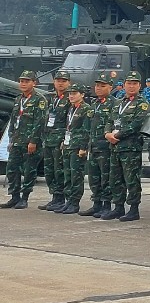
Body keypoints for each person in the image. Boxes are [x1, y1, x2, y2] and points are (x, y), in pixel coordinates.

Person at [102, 71, 150, 222]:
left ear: (139, 86)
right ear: (124, 85)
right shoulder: (119, 103)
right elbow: (110, 120)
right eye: (128, 83)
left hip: (130, 148)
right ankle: (118, 207)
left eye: (134, 84)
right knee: (115, 179)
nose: (131, 86)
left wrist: (116, 136)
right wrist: (107, 134)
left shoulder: (142, 104)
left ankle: (133, 209)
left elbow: (136, 124)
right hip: (115, 147)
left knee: (131, 179)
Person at [1, 70, 46, 209]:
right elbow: (14, 120)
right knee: (12, 169)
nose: (23, 83)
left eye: (27, 81)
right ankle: (14, 197)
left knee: (29, 170)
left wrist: (33, 141)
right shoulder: (18, 99)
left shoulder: (39, 100)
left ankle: (24, 198)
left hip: (30, 143)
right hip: (17, 141)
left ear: (34, 83)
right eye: (22, 81)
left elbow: (40, 122)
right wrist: (11, 139)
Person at [82, 73, 116, 217]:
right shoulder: (94, 105)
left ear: (110, 87)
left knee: (106, 178)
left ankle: (106, 205)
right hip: (93, 146)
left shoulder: (115, 104)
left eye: (103, 86)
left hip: (106, 148)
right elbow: (87, 127)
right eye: (97, 85)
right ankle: (96, 203)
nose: (99, 88)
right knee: (93, 177)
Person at [37, 70, 72, 211]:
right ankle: (55, 197)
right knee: (49, 170)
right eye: (58, 80)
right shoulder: (50, 98)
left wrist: (65, 139)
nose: (60, 83)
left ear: (69, 83)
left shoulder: (70, 99)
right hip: (48, 139)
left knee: (60, 170)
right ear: (54, 82)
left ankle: (61, 198)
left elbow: (71, 121)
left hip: (60, 140)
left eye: (64, 81)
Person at [58, 82, 91, 214]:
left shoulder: (86, 109)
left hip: (77, 147)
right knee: (67, 174)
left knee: (76, 175)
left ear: (82, 95)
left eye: (74, 93)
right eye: (70, 94)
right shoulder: (71, 108)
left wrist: (83, 147)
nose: (71, 96)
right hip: (68, 145)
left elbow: (86, 130)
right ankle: (68, 201)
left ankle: (75, 202)